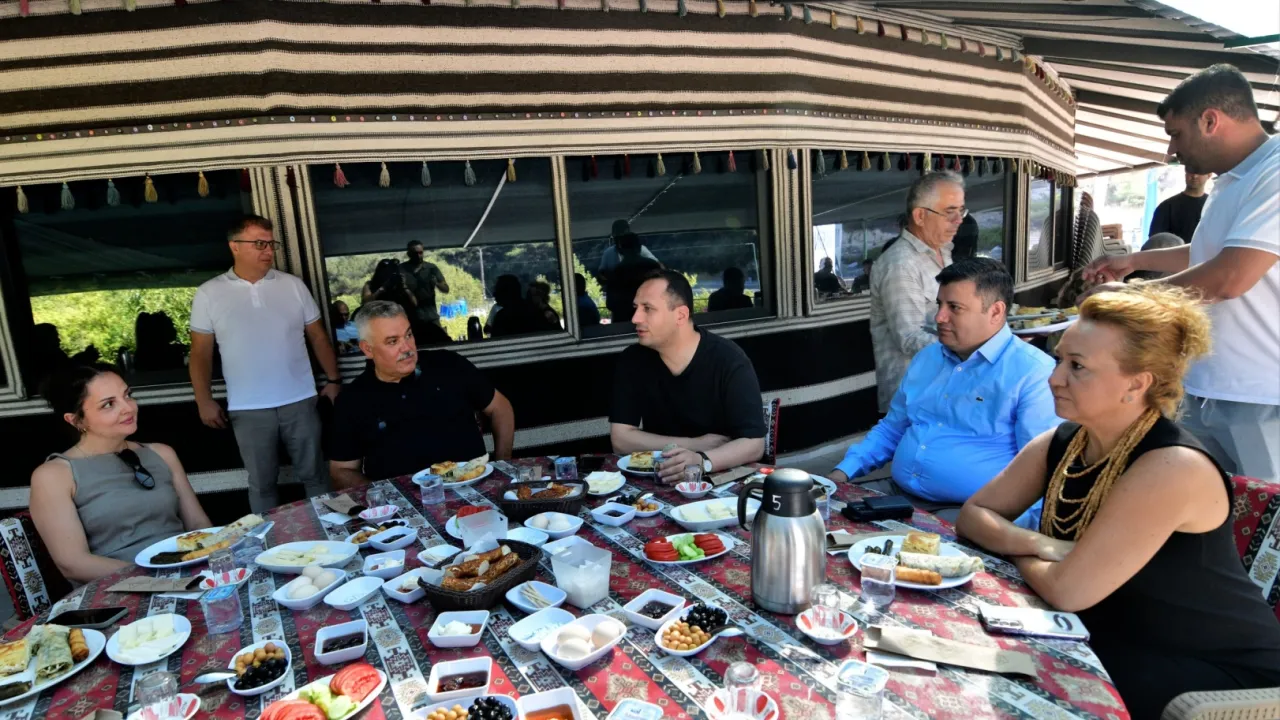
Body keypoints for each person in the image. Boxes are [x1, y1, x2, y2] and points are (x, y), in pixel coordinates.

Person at [956, 285, 1280, 718]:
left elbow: (1068, 589)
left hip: (1214, 673)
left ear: (1136, 384)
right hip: (1108, 636)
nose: (1054, 378)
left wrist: (1014, 549)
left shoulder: (1172, 466)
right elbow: (973, 516)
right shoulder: (1063, 442)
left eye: (1077, 366)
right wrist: (1041, 545)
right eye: (1058, 360)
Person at [1084, 64, 1279, 481]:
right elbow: (1208, 253)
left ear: (1210, 121)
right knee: (1205, 507)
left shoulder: (1275, 171)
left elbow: (1230, 277)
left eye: (1176, 134)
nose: (1171, 150)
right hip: (1208, 385)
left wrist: (1129, 296)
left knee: (1266, 516)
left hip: (1261, 394)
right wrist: (1135, 262)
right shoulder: (1232, 179)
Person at [828, 258, 1059, 524]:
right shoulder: (928, 358)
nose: (939, 317)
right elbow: (892, 429)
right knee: (818, 521)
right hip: (897, 494)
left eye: (954, 307)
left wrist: (1007, 533)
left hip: (970, 511)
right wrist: (841, 474)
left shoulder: (1032, 372)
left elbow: (1043, 471)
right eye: (939, 304)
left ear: (996, 312)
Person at [189, 215, 340, 513]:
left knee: (316, 475)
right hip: (247, 407)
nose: (268, 250)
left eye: (271, 244)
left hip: (300, 400)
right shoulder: (209, 293)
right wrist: (203, 400)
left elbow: (318, 336)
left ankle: (330, 533)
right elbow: (200, 353)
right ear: (234, 246)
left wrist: (334, 379)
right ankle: (269, 540)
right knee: (262, 484)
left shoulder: (293, 286)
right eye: (259, 243)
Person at [29, 364, 213, 585]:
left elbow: (197, 523)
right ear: (76, 420)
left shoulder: (161, 453)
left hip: (188, 572)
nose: (128, 407)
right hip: (120, 587)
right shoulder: (55, 475)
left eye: (127, 395)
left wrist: (207, 562)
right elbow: (73, 563)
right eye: (108, 404)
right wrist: (158, 577)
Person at [329, 301, 514, 487]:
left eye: (408, 335)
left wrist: (501, 468)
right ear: (368, 349)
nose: (407, 348)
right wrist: (385, 494)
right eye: (393, 341)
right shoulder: (353, 400)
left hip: (474, 489)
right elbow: (341, 471)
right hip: (402, 501)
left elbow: (501, 408)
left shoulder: (448, 365)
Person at [610, 270, 766, 482]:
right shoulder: (633, 359)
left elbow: (754, 443)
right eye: (636, 308)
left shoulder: (729, 360)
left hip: (721, 479)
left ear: (681, 316)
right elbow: (620, 440)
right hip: (661, 476)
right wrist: (695, 445)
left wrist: (702, 460)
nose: (635, 318)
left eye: (648, 309)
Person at [869, 171, 964, 412]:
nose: (958, 220)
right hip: (913, 399)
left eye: (961, 211)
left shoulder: (943, 252)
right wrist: (972, 343)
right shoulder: (900, 264)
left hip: (944, 389)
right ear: (920, 216)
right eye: (949, 212)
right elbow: (909, 338)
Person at [605, 232, 662, 322]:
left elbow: (610, 304)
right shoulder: (652, 266)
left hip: (623, 322)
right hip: (651, 320)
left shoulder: (615, 272)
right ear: (639, 248)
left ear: (620, 250)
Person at [1149, 169, 1212, 243]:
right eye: (1191, 171)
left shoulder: (1214, 205)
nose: (1195, 176)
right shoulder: (1167, 207)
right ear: (1185, 172)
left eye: (1199, 172)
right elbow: (1155, 241)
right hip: (1176, 250)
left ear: (1209, 175)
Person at [402, 240, 450, 327]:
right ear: (409, 254)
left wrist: (436, 283)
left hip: (431, 317)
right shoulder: (401, 269)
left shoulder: (431, 268)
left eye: (420, 253)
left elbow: (446, 289)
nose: (418, 256)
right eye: (415, 253)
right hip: (410, 319)